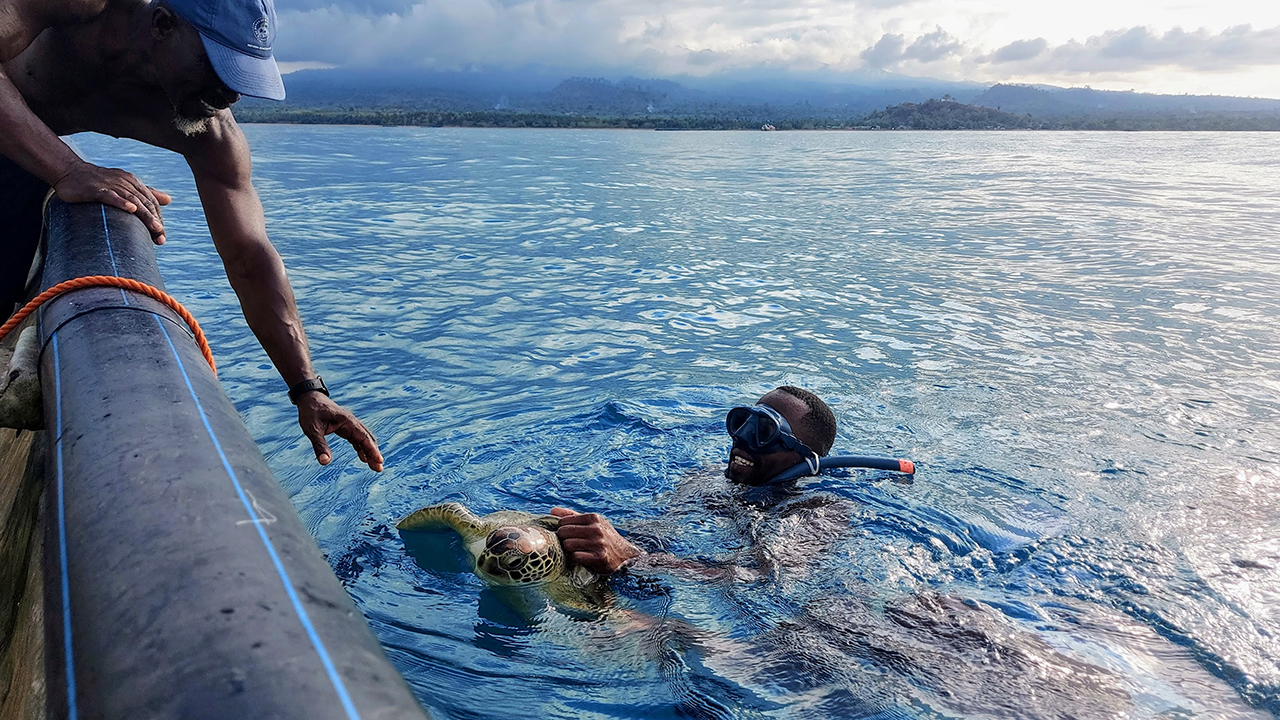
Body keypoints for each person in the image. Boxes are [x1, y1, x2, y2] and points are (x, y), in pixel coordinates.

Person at [0, 0, 383, 470]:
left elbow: (250, 256)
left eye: (242, 78)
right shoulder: (84, 5)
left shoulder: (209, 129)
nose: (229, 95)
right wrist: (68, 169)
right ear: (162, 24)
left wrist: (307, 387)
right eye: (218, 69)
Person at [552, 385, 837, 575]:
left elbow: (761, 578)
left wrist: (633, 558)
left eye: (764, 431)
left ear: (803, 458)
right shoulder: (704, 478)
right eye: (742, 422)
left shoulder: (819, 512)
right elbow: (663, 534)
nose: (741, 437)